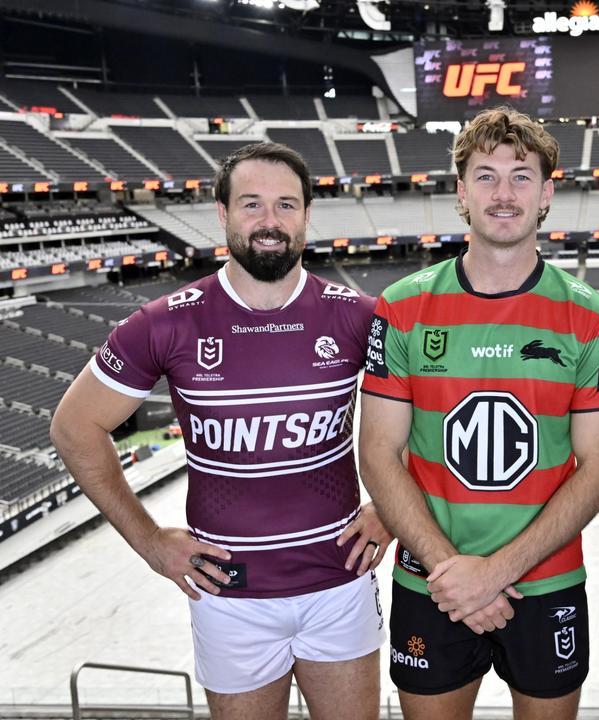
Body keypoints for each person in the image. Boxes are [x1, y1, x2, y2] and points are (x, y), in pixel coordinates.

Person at [50, 141, 390, 720]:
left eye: (286, 205)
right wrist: (150, 542)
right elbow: (74, 426)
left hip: (339, 583)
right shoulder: (165, 322)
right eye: (251, 204)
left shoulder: (359, 315)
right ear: (223, 214)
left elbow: (430, 412)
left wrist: (390, 510)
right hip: (228, 594)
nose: (269, 221)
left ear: (308, 215)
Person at [358, 106, 599, 720]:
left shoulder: (590, 315)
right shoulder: (401, 306)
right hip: (432, 581)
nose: (504, 194)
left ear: (547, 193)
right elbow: (378, 452)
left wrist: (495, 572)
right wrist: (452, 572)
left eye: (521, 176)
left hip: (548, 582)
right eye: (485, 175)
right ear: (460, 192)